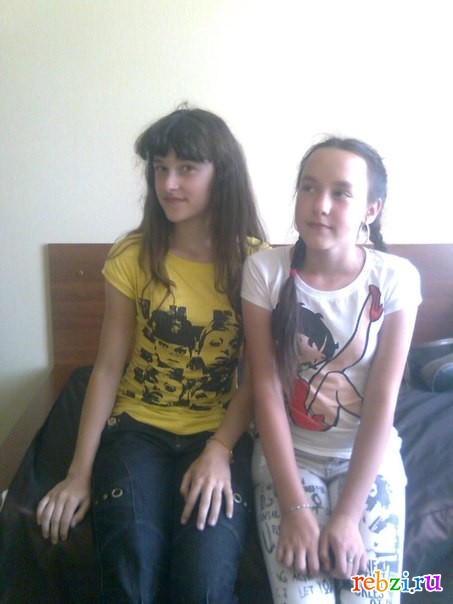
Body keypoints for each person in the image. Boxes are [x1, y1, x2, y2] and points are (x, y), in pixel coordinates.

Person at [36, 107, 267, 603]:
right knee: (131, 567)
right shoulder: (133, 255)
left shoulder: (254, 261)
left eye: (186, 168)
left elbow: (257, 377)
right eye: (160, 168)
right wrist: (78, 473)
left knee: (204, 583)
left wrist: (221, 450)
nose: (168, 183)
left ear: (221, 174)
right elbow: (107, 369)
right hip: (137, 429)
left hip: (215, 433)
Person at [241, 137, 421, 603]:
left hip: (367, 462)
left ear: (370, 209)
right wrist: (295, 508)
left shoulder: (397, 278)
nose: (319, 205)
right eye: (308, 187)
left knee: (374, 594)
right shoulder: (263, 271)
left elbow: (382, 399)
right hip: (289, 460)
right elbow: (265, 390)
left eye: (341, 193)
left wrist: (347, 516)